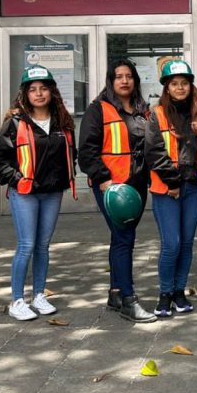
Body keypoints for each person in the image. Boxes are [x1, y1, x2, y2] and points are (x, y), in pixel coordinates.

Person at [0, 66, 77, 322]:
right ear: (25, 94)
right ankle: (17, 300)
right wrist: (17, 180)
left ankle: (39, 294)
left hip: (52, 193)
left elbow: (71, 154)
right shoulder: (15, 123)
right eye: (33, 89)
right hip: (25, 193)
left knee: (43, 245)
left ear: (52, 92)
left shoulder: (63, 122)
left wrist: (63, 178)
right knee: (26, 245)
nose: (39, 94)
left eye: (44, 88)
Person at [78, 58, 156, 324]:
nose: (124, 81)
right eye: (118, 76)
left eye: (129, 76)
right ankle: (129, 301)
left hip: (136, 185)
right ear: (111, 81)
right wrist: (102, 179)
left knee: (123, 237)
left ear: (135, 80)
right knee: (124, 238)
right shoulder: (98, 109)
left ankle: (115, 293)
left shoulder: (142, 111)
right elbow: (86, 152)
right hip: (111, 186)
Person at [146, 60, 197, 318]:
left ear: (190, 86)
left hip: (193, 188)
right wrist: (172, 182)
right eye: (174, 83)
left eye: (184, 83)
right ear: (166, 87)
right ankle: (164, 294)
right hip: (167, 189)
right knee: (171, 244)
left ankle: (179, 292)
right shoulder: (157, 114)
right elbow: (153, 151)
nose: (179, 87)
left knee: (186, 243)